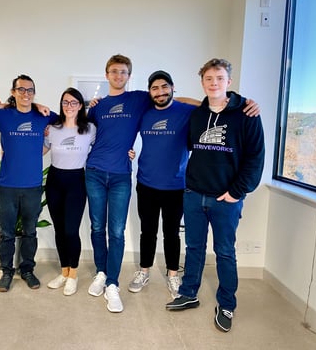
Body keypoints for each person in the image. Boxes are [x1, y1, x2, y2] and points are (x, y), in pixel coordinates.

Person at [85, 54, 202, 313]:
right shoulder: (99, 106)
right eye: (114, 71)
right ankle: (115, 272)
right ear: (107, 75)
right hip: (116, 176)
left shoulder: (141, 99)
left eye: (123, 72)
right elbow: (81, 130)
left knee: (134, 232)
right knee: (111, 228)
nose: (118, 76)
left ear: (129, 75)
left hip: (140, 179)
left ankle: (153, 277)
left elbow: (180, 101)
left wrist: (221, 100)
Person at [165, 58, 265, 333]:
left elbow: (256, 158)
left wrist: (237, 192)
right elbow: (183, 109)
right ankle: (189, 293)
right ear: (203, 83)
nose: (214, 83)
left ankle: (227, 303)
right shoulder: (198, 114)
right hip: (194, 193)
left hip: (226, 198)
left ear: (228, 81)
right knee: (194, 248)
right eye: (209, 79)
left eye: (219, 78)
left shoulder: (247, 115)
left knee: (224, 252)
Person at [128, 70, 196, 298]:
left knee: (171, 233)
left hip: (175, 186)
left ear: (173, 88)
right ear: (150, 92)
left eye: (164, 87)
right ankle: (144, 271)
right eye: (155, 88)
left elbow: (208, 105)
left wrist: (181, 98)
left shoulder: (185, 111)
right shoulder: (144, 113)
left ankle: (173, 275)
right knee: (147, 231)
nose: (160, 92)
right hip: (146, 183)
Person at [0, 74, 58, 292]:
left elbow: (68, 118)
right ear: (13, 92)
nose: (26, 94)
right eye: (21, 90)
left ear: (34, 93)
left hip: (33, 186)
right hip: (8, 185)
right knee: (7, 233)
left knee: (30, 232)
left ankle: (27, 269)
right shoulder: (3, 116)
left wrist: (38, 106)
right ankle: (6, 271)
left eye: (30, 91)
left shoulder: (43, 116)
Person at [43, 88, 96, 296]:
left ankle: (73, 274)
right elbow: (42, 150)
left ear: (81, 106)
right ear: (61, 104)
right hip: (55, 180)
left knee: (71, 231)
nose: (69, 106)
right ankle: (64, 272)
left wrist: (128, 151)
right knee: (59, 229)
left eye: (74, 102)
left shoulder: (90, 129)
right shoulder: (52, 129)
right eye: (65, 102)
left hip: (76, 181)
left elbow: (105, 146)